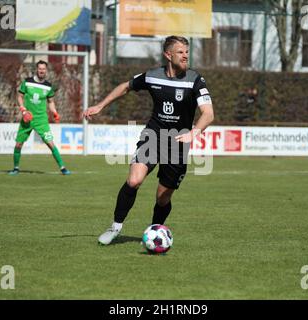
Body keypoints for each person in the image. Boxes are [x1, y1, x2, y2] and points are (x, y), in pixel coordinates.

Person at [83, 35, 214, 245]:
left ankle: (154, 231)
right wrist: (100, 106)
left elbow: (208, 113)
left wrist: (194, 132)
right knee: (134, 180)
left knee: (163, 197)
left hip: (178, 142)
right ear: (168, 54)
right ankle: (115, 226)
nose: (185, 56)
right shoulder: (152, 76)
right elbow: (125, 86)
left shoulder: (195, 80)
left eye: (187, 52)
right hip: (153, 136)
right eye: (180, 52)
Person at [9, 60, 71, 175]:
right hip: (27, 118)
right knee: (18, 144)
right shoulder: (27, 82)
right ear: (36, 70)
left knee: (50, 143)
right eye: (40, 68)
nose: (42, 71)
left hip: (41, 120)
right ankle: (16, 168)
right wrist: (23, 110)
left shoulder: (48, 86)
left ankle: (63, 168)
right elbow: (19, 97)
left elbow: (51, 102)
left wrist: (55, 112)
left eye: (44, 69)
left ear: (46, 71)